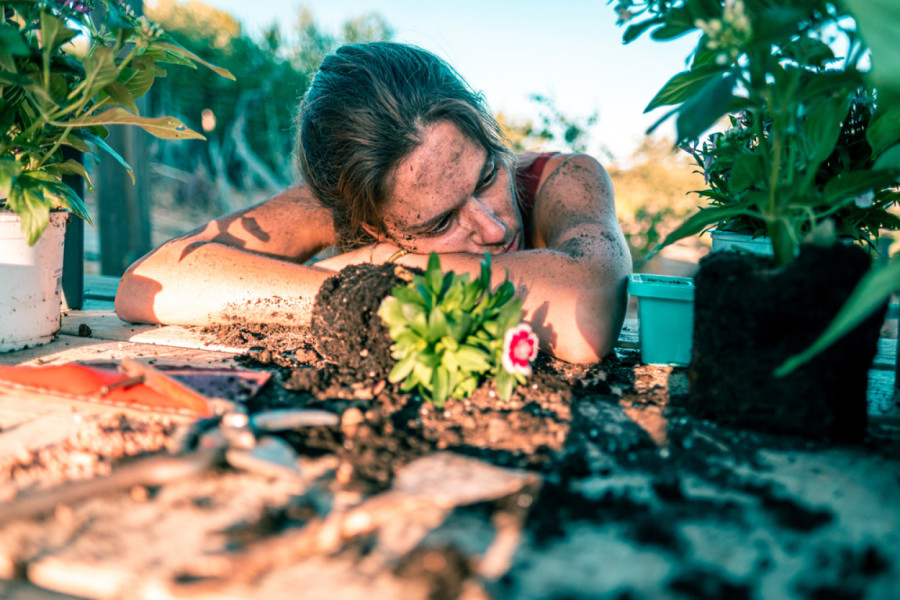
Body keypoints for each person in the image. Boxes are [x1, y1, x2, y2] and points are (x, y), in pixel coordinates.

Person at [115, 42, 631, 364]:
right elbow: (151, 284)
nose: (494, 228)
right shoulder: (349, 198)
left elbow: (588, 307)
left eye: (488, 173)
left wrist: (372, 268)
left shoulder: (564, 179)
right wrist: (359, 288)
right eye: (440, 221)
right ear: (366, 220)